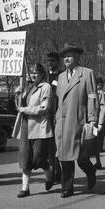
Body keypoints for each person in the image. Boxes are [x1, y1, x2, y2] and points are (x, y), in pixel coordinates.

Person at [55, 43, 98, 198]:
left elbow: (93, 97)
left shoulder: (87, 73)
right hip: (62, 122)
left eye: (70, 55)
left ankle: (90, 170)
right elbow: (59, 100)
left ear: (78, 57)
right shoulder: (60, 77)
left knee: (80, 157)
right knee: (64, 156)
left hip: (78, 120)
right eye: (64, 56)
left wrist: (92, 119)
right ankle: (67, 187)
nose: (66, 58)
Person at [12, 63, 54, 197]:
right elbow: (18, 107)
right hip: (26, 127)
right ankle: (25, 188)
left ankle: (48, 174)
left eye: (36, 72)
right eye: (32, 72)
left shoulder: (46, 87)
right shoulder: (27, 87)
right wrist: (17, 95)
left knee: (38, 159)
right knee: (25, 159)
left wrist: (25, 110)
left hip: (39, 128)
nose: (34, 75)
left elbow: (44, 108)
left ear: (42, 74)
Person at [47, 51, 62, 183]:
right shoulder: (45, 76)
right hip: (46, 115)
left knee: (56, 146)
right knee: (49, 147)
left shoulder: (61, 76)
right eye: (48, 61)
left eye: (52, 61)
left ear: (57, 61)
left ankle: (57, 172)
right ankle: (54, 171)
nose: (50, 63)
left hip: (57, 114)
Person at [94, 77, 105, 169]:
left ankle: (98, 161)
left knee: (95, 141)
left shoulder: (100, 93)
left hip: (96, 121)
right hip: (87, 120)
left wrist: (100, 122)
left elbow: (103, 108)